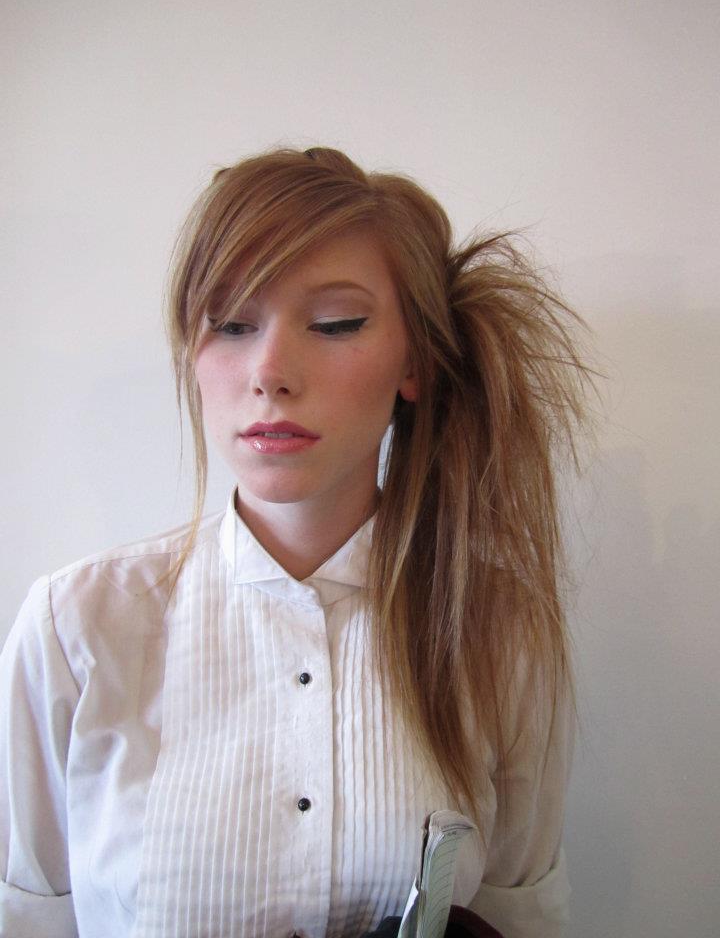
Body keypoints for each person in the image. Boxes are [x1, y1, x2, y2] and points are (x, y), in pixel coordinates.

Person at [0, 147, 591, 938]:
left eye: (336, 324)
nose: (270, 371)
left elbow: (520, 917)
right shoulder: (76, 630)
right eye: (230, 325)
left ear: (414, 359)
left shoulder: (498, 628)